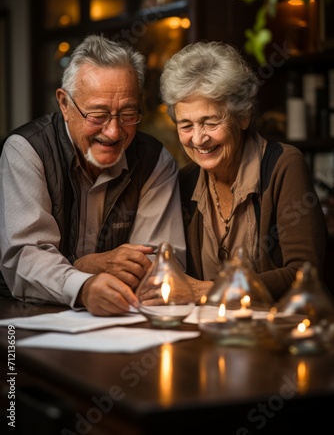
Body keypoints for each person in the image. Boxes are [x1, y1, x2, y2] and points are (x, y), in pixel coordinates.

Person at [0, 34, 186, 316]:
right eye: (97, 115)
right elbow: (24, 259)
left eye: (127, 114)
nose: (113, 132)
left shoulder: (155, 160)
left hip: (125, 320)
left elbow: (162, 264)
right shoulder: (27, 150)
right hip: (26, 319)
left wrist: (82, 267)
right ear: (64, 104)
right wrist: (84, 282)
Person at [160, 41, 328, 303]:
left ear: (243, 116)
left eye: (210, 122)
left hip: (277, 334)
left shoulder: (284, 165)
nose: (198, 139)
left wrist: (210, 290)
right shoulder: (185, 181)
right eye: (186, 125)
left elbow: (304, 273)